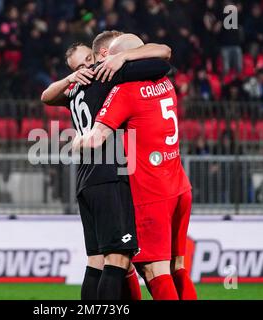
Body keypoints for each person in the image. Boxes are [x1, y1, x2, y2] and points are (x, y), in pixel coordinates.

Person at [41, 31, 171, 300]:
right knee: (118, 259)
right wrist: (123, 56)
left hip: (85, 180)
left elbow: (46, 96)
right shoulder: (104, 75)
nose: (89, 67)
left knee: (96, 261)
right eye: (81, 66)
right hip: (110, 174)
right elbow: (163, 60)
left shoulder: (75, 89)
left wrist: (69, 79)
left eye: (89, 59)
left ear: (95, 52)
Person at [74, 33, 197, 300]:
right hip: (180, 186)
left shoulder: (125, 92)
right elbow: (164, 50)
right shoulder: (165, 82)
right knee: (177, 266)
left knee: (153, 269)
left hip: (153, 191)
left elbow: (95, 140)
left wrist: (74, 141)